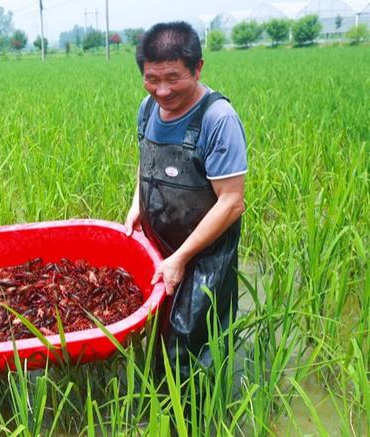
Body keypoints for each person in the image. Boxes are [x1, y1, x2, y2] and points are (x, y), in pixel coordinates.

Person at [124, 22, 247, 380]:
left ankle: (193, 417)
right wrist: (137, 206)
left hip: (204, 254)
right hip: (160, 246)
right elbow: (145, 160)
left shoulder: (216, 119)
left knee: (189, 345)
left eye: (173, 78)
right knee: (158, 333)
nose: (162, 90)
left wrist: (180, 259)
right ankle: (160, 404)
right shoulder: (147, 109)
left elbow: (231, 202)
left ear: (198, 68)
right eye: (151, 78)